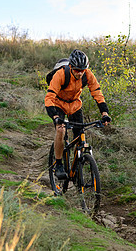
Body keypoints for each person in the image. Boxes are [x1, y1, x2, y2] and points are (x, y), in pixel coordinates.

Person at [45, 49, 111, 180]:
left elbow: (97, 93)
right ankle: (58, 164)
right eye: (77, 70)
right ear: (71, 67)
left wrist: (104, 113)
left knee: (80, 136)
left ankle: (77, 165)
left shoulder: (87, 74)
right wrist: (56, 117)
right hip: (59, 104)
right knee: (61, 129)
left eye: (83, 70)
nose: (80, 73)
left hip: (75, 105)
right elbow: (49, 97)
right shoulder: (61, 74)